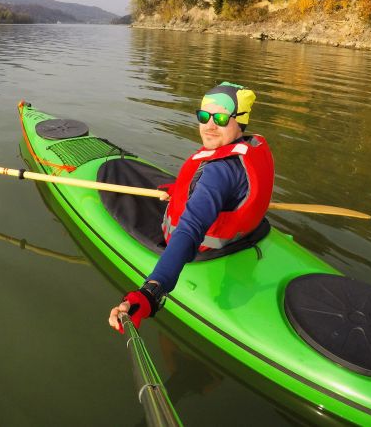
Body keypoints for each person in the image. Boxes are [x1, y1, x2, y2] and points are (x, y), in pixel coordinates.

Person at [108, 81, 275, 332]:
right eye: (204, 116)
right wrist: (178, 193)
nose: (209, 126)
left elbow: (189, 230)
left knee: (121, 191)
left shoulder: (218, 172)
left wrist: (149, 293)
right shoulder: (251, 148)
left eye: (220, 118)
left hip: (202, 246)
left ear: (240, 121)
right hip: (245, 235)